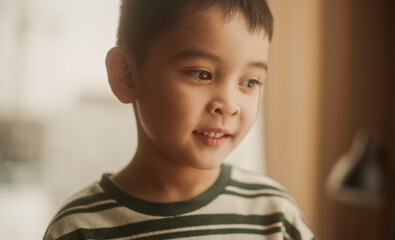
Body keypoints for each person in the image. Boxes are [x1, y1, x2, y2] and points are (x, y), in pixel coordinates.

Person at [44, 0, 316, 239]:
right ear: (125, 74)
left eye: (250, 81)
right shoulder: (78, 229)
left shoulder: (275, 212)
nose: (230, 106)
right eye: (201, 74)